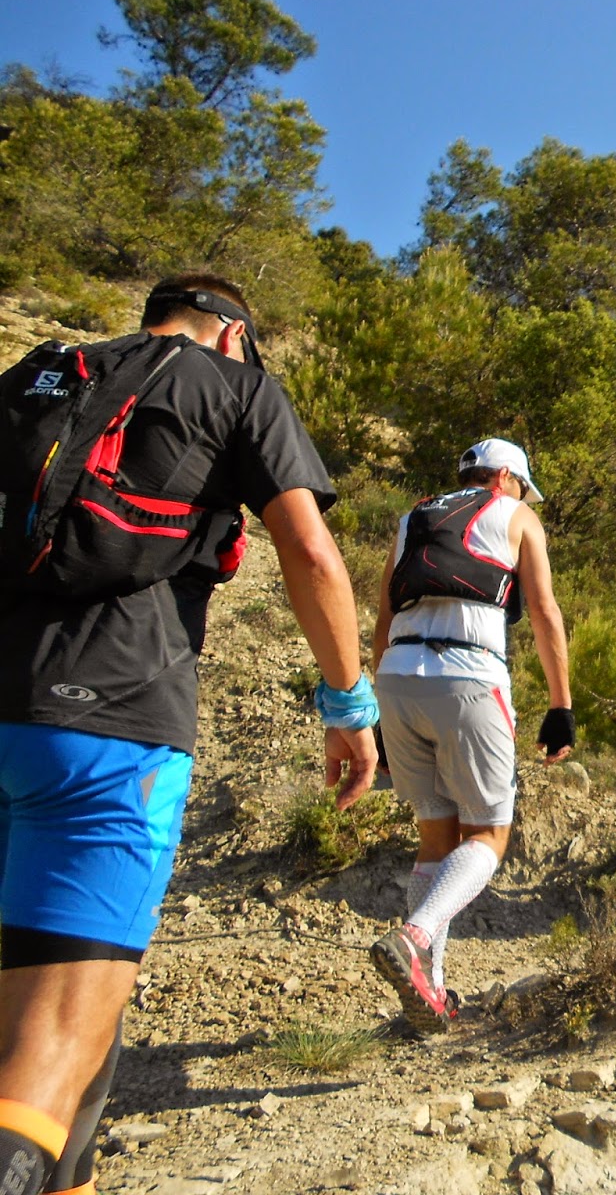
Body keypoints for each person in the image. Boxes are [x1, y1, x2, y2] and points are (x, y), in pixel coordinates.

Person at [0, 274, 378, 1195]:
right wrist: (347, 704)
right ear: (236, 336)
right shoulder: (237, 386)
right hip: (110, 734)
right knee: (45, 1057)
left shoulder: (44, 371)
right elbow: (312, 553)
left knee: (65, 1024)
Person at [370, 439, 573, 1034]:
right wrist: (560, 705)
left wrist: (381, 715)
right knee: (488, 833)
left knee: (437, 836)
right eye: (521, 486)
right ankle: (415, 937)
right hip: (469, 677)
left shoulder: (414, 516)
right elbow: (543, 611)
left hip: (397, 677)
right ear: (506, 477)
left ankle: (428, 991)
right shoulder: (516, 515)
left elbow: (383, 615)